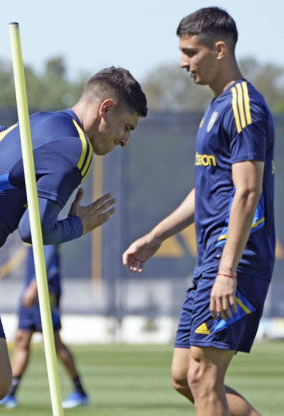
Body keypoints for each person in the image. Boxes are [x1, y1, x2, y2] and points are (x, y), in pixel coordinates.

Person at [0, 66, 148, 415]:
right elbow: (32, 230)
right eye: (126, 128)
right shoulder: (74, 151)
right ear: (105, 108)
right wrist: (79, 225)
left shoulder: (42, 121)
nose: (124, 140)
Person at [123, 8, 275, 416]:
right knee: (183, 375)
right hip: (214, 258)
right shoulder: (216, 107)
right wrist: (157, 236)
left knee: (204, 376)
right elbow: (210, 190)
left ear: (219, 49)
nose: (182, 62)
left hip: (234, 258)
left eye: (191, 52)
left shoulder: (245, 106)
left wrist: (227, 272)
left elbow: (247, 193)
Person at [0, 245, 88, 409]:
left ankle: (80, 391)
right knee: (22, 338)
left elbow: (49, 256)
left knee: (54, 341)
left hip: (44, 290)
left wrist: (34, 287)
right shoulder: (28, 224)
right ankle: (11, 394)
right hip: (32, 289)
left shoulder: (45, 222)